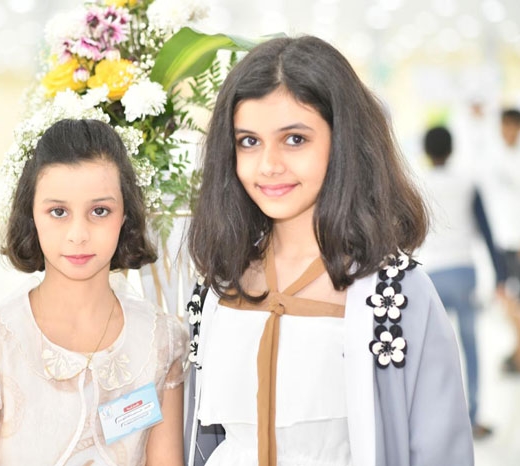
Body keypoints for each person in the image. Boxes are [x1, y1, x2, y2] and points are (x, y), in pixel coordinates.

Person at [184, 36, 473, 466]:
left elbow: (439, 452)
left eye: (294, 139)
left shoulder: (397, 294)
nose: (269, 165)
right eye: (249, 141)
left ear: (343, 142)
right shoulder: (217, 284)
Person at [0, 119, 188, 465]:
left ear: (125, 216)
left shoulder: (161, 342)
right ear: (31, 215)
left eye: (99, 211)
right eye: (58, 212)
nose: (78, 234)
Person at [417, 125, 498, 439]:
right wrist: (501, 275)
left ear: (426, 151)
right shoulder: (467, 182)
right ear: (451, 149)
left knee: (433, 352)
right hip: (464, 271)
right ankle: (472, 417)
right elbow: (486, 231)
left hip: (430, 274)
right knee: (470, 346)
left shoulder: (418, 184)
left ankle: (437, 420)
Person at [483, 108, 520, 374]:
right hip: (502, 241)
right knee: (505, 297)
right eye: (503, 125)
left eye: (511, 126)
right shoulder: (493, 156)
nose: (506, 131)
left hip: (517, 242)